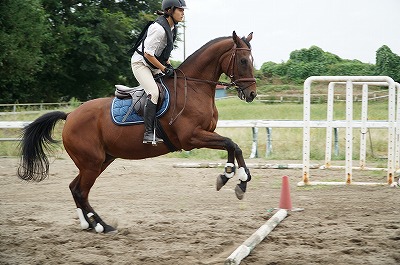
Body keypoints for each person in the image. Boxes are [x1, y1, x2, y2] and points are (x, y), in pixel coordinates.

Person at [131, 0, 186, 145]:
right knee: (154, 93)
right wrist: (163, 68)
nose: (183, 13)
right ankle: (148, 133)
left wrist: (169, 66)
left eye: (183, 10)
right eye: (180, 10)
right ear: (169, 11)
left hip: (154, 65)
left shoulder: (173, 28)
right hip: (140, 64)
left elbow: (164, 54)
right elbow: (148, 54)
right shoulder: (158, 28)